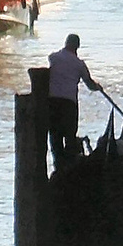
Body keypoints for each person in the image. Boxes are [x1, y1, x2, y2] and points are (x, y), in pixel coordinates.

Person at [46, 33, 101, 165]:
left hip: (53, 102)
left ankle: (58, 166)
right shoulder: (79, 65)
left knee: (55, 136)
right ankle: (69, 166)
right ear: (77, 47)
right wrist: (98, 87)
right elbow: (89, 84)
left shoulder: (54, 58)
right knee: (69, 136)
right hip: (69, 103)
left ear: (66, 43)